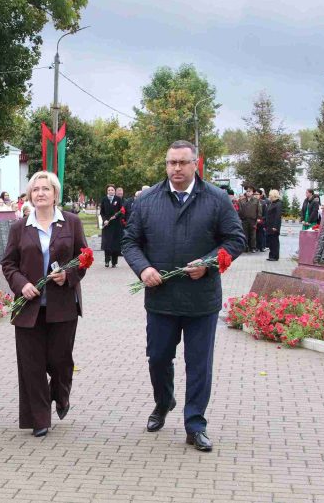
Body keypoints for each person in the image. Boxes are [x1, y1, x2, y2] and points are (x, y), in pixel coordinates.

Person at [122, 140, 244, 453]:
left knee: (199, 364)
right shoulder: (148, 200)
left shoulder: (216, 199)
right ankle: (164, 401)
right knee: (159, 357)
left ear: (195, 164)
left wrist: (208, 264)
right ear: (166, 165)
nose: (176, 168)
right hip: (161, 299)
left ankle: (195, 425)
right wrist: (143, 268)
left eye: (183, 163)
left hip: (201, 301)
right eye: (171, 163)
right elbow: (130, 242)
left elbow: (235, 240)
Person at [1, 171, 88, 437]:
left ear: (55, 194)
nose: (40, 193)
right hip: (29, 307)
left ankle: (61, 395)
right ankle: (39, 418)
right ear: (30, 195)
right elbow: (8, 264)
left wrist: (68, 275)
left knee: (60, 361)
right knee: (32, 364)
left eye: (45, 189)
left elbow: (83, 258)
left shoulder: (71, 223)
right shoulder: (19, 227)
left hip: (63, 305)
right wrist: (21, 284)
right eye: (35, 189)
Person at [99, 184, 123, 267]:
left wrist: (116, 216)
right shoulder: (104, 199)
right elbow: (102, 212)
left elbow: (121, 210)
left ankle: (114, 262)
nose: (110, 191)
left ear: (114, 191)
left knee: (115, 244)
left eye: (112, 190)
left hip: (116, 225)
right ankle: (106, 260)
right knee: (107, 243)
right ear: (107, 191)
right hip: (107, 225)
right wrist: (105, 220)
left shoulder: (118, 199)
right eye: (109, 190)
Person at [238, 186, 261, 251]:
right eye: (247, 191)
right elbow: (239, 210)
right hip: (244, 220)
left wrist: (259, 218)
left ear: (252, 192)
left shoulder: (256, 200)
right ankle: (245, 247)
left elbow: (259, 210)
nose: (248, 192)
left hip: (253, 220)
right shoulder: (241, 200)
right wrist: (239, 218)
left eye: (249, 191)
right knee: (245, 234)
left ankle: (253, 247)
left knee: (253, 235)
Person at [265, 189, 282, 261]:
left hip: (274, 226)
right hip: (269, 225)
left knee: (274, 241)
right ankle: (271, 255)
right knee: (270, 241)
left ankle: (275, 256)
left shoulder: (278, 204)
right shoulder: (271, 203)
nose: (269, 197)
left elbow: (277, 216)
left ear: (274, 195)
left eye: (270, 195)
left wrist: (275, 226)